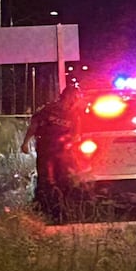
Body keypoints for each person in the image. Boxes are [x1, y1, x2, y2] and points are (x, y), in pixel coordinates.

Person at [21, 85, 83, 214]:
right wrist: (25, 142)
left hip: (63, 154)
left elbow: (76, 135)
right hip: (46, 150)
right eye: (75, 98)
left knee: (64, 180)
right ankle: (43, 208)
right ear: (69, 97)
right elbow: (34, 125)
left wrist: (72, 146)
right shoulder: (49, 110)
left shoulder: (74, 115)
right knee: (45, 179)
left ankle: (62, 209)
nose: (76, 101)